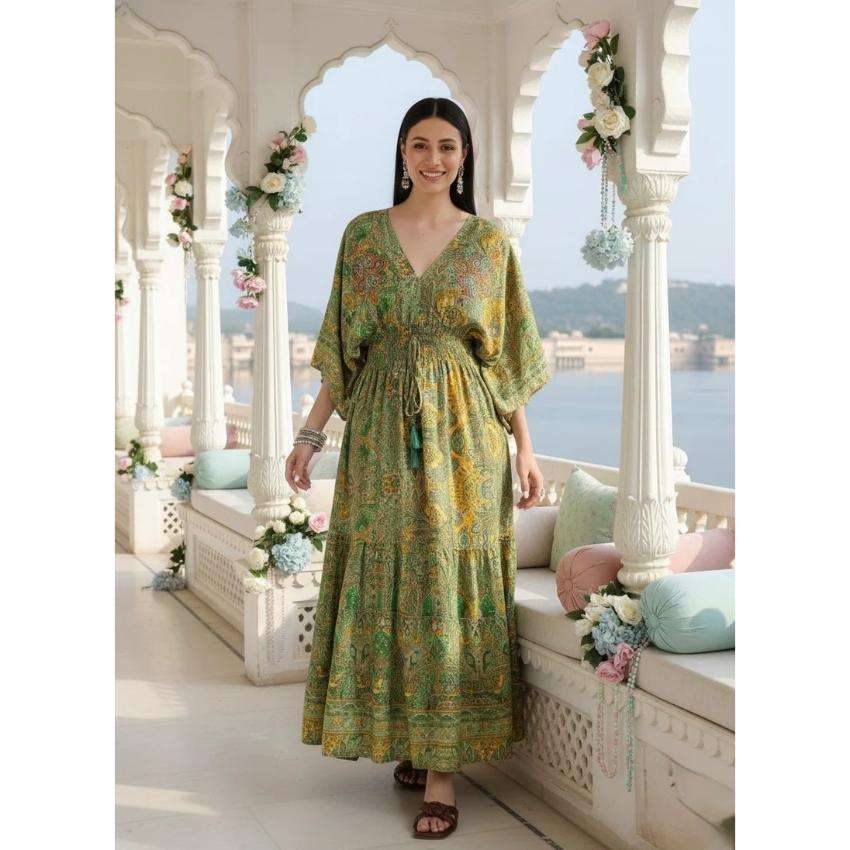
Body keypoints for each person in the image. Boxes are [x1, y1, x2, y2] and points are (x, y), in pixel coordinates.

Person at [288, 97, 550, 840]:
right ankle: (409, 736)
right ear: (402, 153)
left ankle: (441, 772)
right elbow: (342, 351)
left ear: (465, 158)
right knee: (390, 580)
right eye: (420, 145)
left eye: (447, 147)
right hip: (377, 436)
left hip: (467, 438)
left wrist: (525, 448)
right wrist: (309, 436)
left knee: (445, 583)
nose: (434, 159)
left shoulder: (489, 243)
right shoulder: (363, 236)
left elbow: (505, 361)